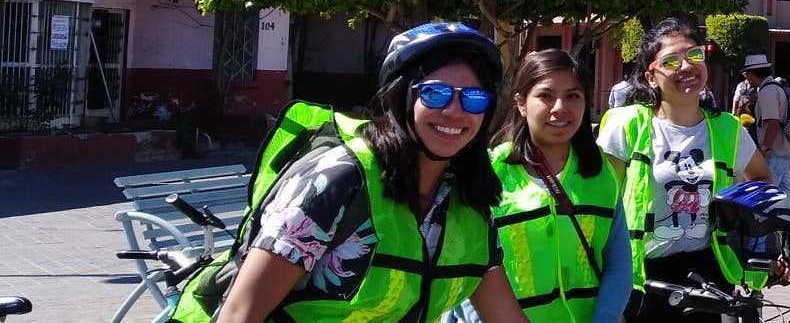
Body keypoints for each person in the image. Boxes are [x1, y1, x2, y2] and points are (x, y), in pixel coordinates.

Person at [170, 22, 529, 323]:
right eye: (435, 95)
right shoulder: (337, 180)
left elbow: (504, 316)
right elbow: (239, 314)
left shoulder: (467, 201)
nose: (455, 111)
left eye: (474, 98)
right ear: (401, 97)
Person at [598, 16, 779, 320]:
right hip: (641, 276)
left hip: (707, 271)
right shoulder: (626, 124)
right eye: (671, 61)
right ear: (651, 76)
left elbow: (762, 181)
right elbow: (602, 203)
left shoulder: (727, 128)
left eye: (694, 55)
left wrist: (749, 228)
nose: (686, 67)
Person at [478, 49, 631, 322]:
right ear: (521, 104)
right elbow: (468, 269)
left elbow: (618, 262)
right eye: (545, 96)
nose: (560, 107)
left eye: (573, 96)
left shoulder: (600, 173)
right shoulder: (490, 172)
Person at [740, 54, 790, 198]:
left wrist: (764, 150)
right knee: (783, 193)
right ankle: (785, 219)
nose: (746, 78)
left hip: (776, 152)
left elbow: (773, 122)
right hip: (786, 149)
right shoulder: (775, 87)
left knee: (767, 193)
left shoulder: (767, 91)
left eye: (746, 73)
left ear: (754, 72)